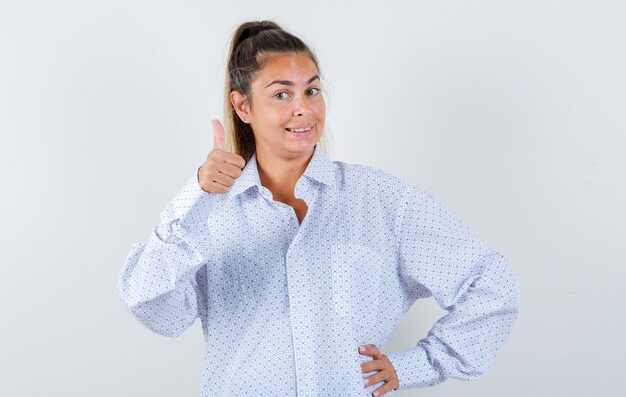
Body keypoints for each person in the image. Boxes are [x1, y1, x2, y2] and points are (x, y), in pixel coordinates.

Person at [116, 20, 520, 397]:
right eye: (281, 94)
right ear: (243, 107)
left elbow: (490, 283)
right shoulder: (209, 211)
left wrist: (416, 365)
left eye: (311, 90)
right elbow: (156, 311)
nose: (303, 109)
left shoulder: (380, 199)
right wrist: (196, 197)